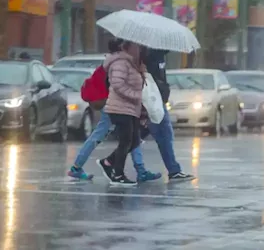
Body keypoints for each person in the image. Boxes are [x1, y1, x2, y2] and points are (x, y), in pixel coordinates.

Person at [67, 39, 160, 183]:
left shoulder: (126, 62)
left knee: (130, 137)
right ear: (124, 48)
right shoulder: (119, 63)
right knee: (117, 137)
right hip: (115, 104)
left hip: (118, 104)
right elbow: (117, 84)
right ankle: (78, 167)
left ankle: (139, 169)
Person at [97, 40, 147, 186]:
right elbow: (118, 84)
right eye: (136, 46)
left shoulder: (133, 63)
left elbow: (140, 84)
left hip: (131, 109)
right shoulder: (120, 62)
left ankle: (108, 162)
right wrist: (135, 95)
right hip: (119, 108)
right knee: (126, 141)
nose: (139, 49)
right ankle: (118, 174)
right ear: (127, 47)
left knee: (134, 141)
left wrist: (142, 70)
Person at [143, 48, 194, 181]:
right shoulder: (148, 55)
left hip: (159, 101)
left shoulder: (160, 56)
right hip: (153, 101)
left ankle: (112, 162)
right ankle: (173, 170)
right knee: (164, 135)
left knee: (141, 136)